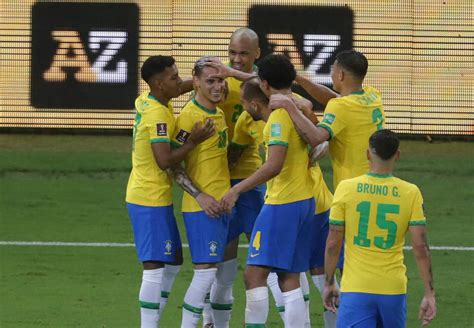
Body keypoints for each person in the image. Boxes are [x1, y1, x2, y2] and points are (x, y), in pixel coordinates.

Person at [221, 54, 314, 328]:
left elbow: (274, 165)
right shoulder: (299, 108)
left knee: (254, 275)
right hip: (305, 201)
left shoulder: (278, 118)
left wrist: (237, 189)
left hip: (281, 203)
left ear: (264, 84)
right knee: (289, 276)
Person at [125, 55, 215, 328]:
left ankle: (155, 318)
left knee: (174, 260)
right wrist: (193, 141)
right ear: (157, 83)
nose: (180, 82)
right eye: (174, 78)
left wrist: (201, 82)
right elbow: (164, 160)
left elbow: (179, 87)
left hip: (153, 196)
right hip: (148, 197)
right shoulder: (157, 114)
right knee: (154, 266)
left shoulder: (148, 100)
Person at [323, 129, 436, 327]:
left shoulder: (346, 188)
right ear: (397, 155)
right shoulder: (411, 193)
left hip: (356, 288)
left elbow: (333, 243)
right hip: (392, 289)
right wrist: (429, 293)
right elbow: (420, 248)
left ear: (368, 154)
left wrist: (329, 281)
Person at [199, 27, 262, 328]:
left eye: (244, 54)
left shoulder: (260, 84)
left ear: (257, 54)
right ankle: (211, 319)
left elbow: (273, 85)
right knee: (222, 258)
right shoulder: (218, 79)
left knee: (264, 254)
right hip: (219, 179)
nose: (236, 60)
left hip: (252, 179)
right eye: (233, 52)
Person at [171, 56, 233, 328]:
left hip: (222, 205)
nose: (218, 87)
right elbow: (172, 165)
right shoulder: (188, 117)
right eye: (210, 81)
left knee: (216, 272)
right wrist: (200, 195)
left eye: (220, 80)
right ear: (195, 82)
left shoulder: (218, 114)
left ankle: (210, 323)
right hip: (201, 209)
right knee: (205, 274)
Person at [278, 49, 385, 189]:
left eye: (333, 70)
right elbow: (333, 98)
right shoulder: (373, 95)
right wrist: (296, 77)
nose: (331, 74)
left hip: (353, 186)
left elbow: (316, 137)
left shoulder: (341, 107)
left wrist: (292, 107)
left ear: (340, 75)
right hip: (377, 181)